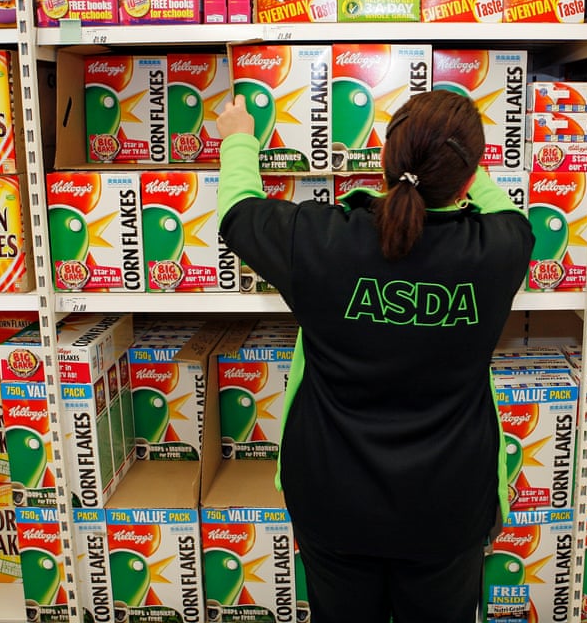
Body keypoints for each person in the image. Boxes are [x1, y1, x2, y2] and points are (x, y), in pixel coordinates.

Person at [215, 88, 535, 622]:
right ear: (467, 176)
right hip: (447, 507)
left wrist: (239, 140)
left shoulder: (318, 241)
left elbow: (237, 213)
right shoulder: (499, 250)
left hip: (333, 502)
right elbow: (507, 212)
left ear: (384, 159)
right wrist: (456, 159)